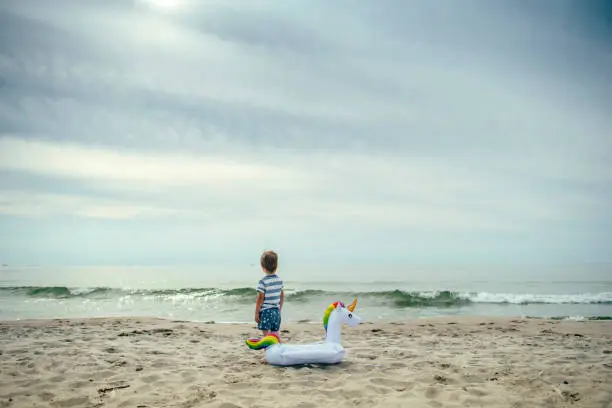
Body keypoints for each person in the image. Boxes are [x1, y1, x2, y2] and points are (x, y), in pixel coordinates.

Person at [254, 250, 284, 336]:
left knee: (266, 337)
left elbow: (260, 298)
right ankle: (277, 348)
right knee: (275, 335)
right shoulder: (279, 280)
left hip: (266, 313)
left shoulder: (263, 282)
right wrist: (279, 309)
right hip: (276, 312)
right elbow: (282, 296)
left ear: (263, 267)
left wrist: (256, 313)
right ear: (276, 266)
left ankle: (268, 349)